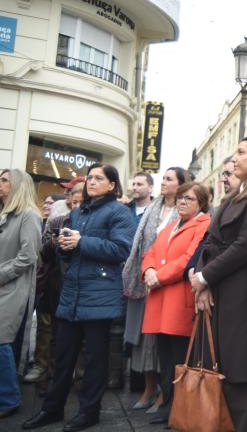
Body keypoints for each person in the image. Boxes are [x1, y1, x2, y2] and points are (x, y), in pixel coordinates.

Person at [23, 163, 135, 432]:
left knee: (95, 361)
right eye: (90, 178)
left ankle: (89, 412)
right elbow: (70, 251)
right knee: (62, 358)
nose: (92, 182)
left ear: (112, 185)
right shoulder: (79, 212)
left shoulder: (120, 212)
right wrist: (64, 246)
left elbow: (121, 249)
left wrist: (81, 241)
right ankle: (52, 409)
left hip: (99, 297)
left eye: (99, 178)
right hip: (71, 294)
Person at [189, 136, 247, 432]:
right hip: (219, 290)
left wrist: (204, 277)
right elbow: (210, 243)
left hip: (243, 294)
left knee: (241, 373)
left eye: (242, 152)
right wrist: (202, 282)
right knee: (218, 369)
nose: (234, 157)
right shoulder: (232, 198)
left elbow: (245, 246)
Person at [141, 182, 210, 427]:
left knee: (181, 358)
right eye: (181, 198)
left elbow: (187, 260)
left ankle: (179, 408)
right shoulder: (170, 226)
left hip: (178, 298)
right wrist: (148, 269)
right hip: (160, 299)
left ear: (201, 203)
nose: (182, 202)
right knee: (166, 357)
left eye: (189, 199)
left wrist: (158, 276)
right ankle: (168, 403)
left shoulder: (203, 224)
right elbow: (149, 252)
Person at [122, 167, 187, 415]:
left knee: (163, 341)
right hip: (144, 281)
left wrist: (160, 275)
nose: (163, 183)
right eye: (164, 178)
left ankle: (164, 392)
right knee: (142, 340)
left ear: (181, 184)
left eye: (169, 179)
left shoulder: (185, 212)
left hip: (167, 284)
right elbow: (143, 246)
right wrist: (147, 271)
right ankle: (148, 389)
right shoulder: (153, 209)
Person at [0, 169, 42, 419]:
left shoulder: (29, 216)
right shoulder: (6, 214)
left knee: (2, 341)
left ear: (18, 186)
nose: (0, 183)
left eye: (5, 180)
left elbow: (28, 257)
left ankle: (9, 398)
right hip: (6, 285)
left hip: (13, 288)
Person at [23, 193, 65, 385]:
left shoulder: (64, 221)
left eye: (52, 202)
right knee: (44, 326)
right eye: (46, 202)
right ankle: (41, 364)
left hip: (62, 284)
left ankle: (54, 371)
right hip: (46, 283)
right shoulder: (46, 223)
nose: (48, 205)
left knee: (58, 332)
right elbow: (43, 254)